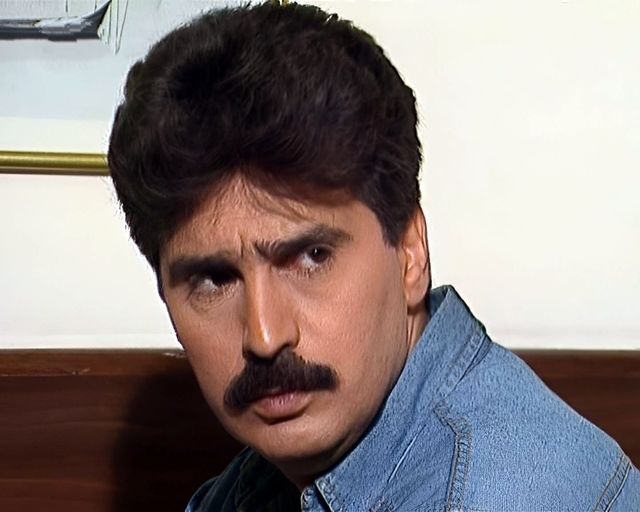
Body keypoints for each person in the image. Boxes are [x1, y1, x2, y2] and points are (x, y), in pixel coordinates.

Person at [108, 2, 640, 511]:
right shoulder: (289, 469)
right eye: (214, 280)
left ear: (409, 253)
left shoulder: (499, 494)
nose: (265, 336)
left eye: (312, 256)